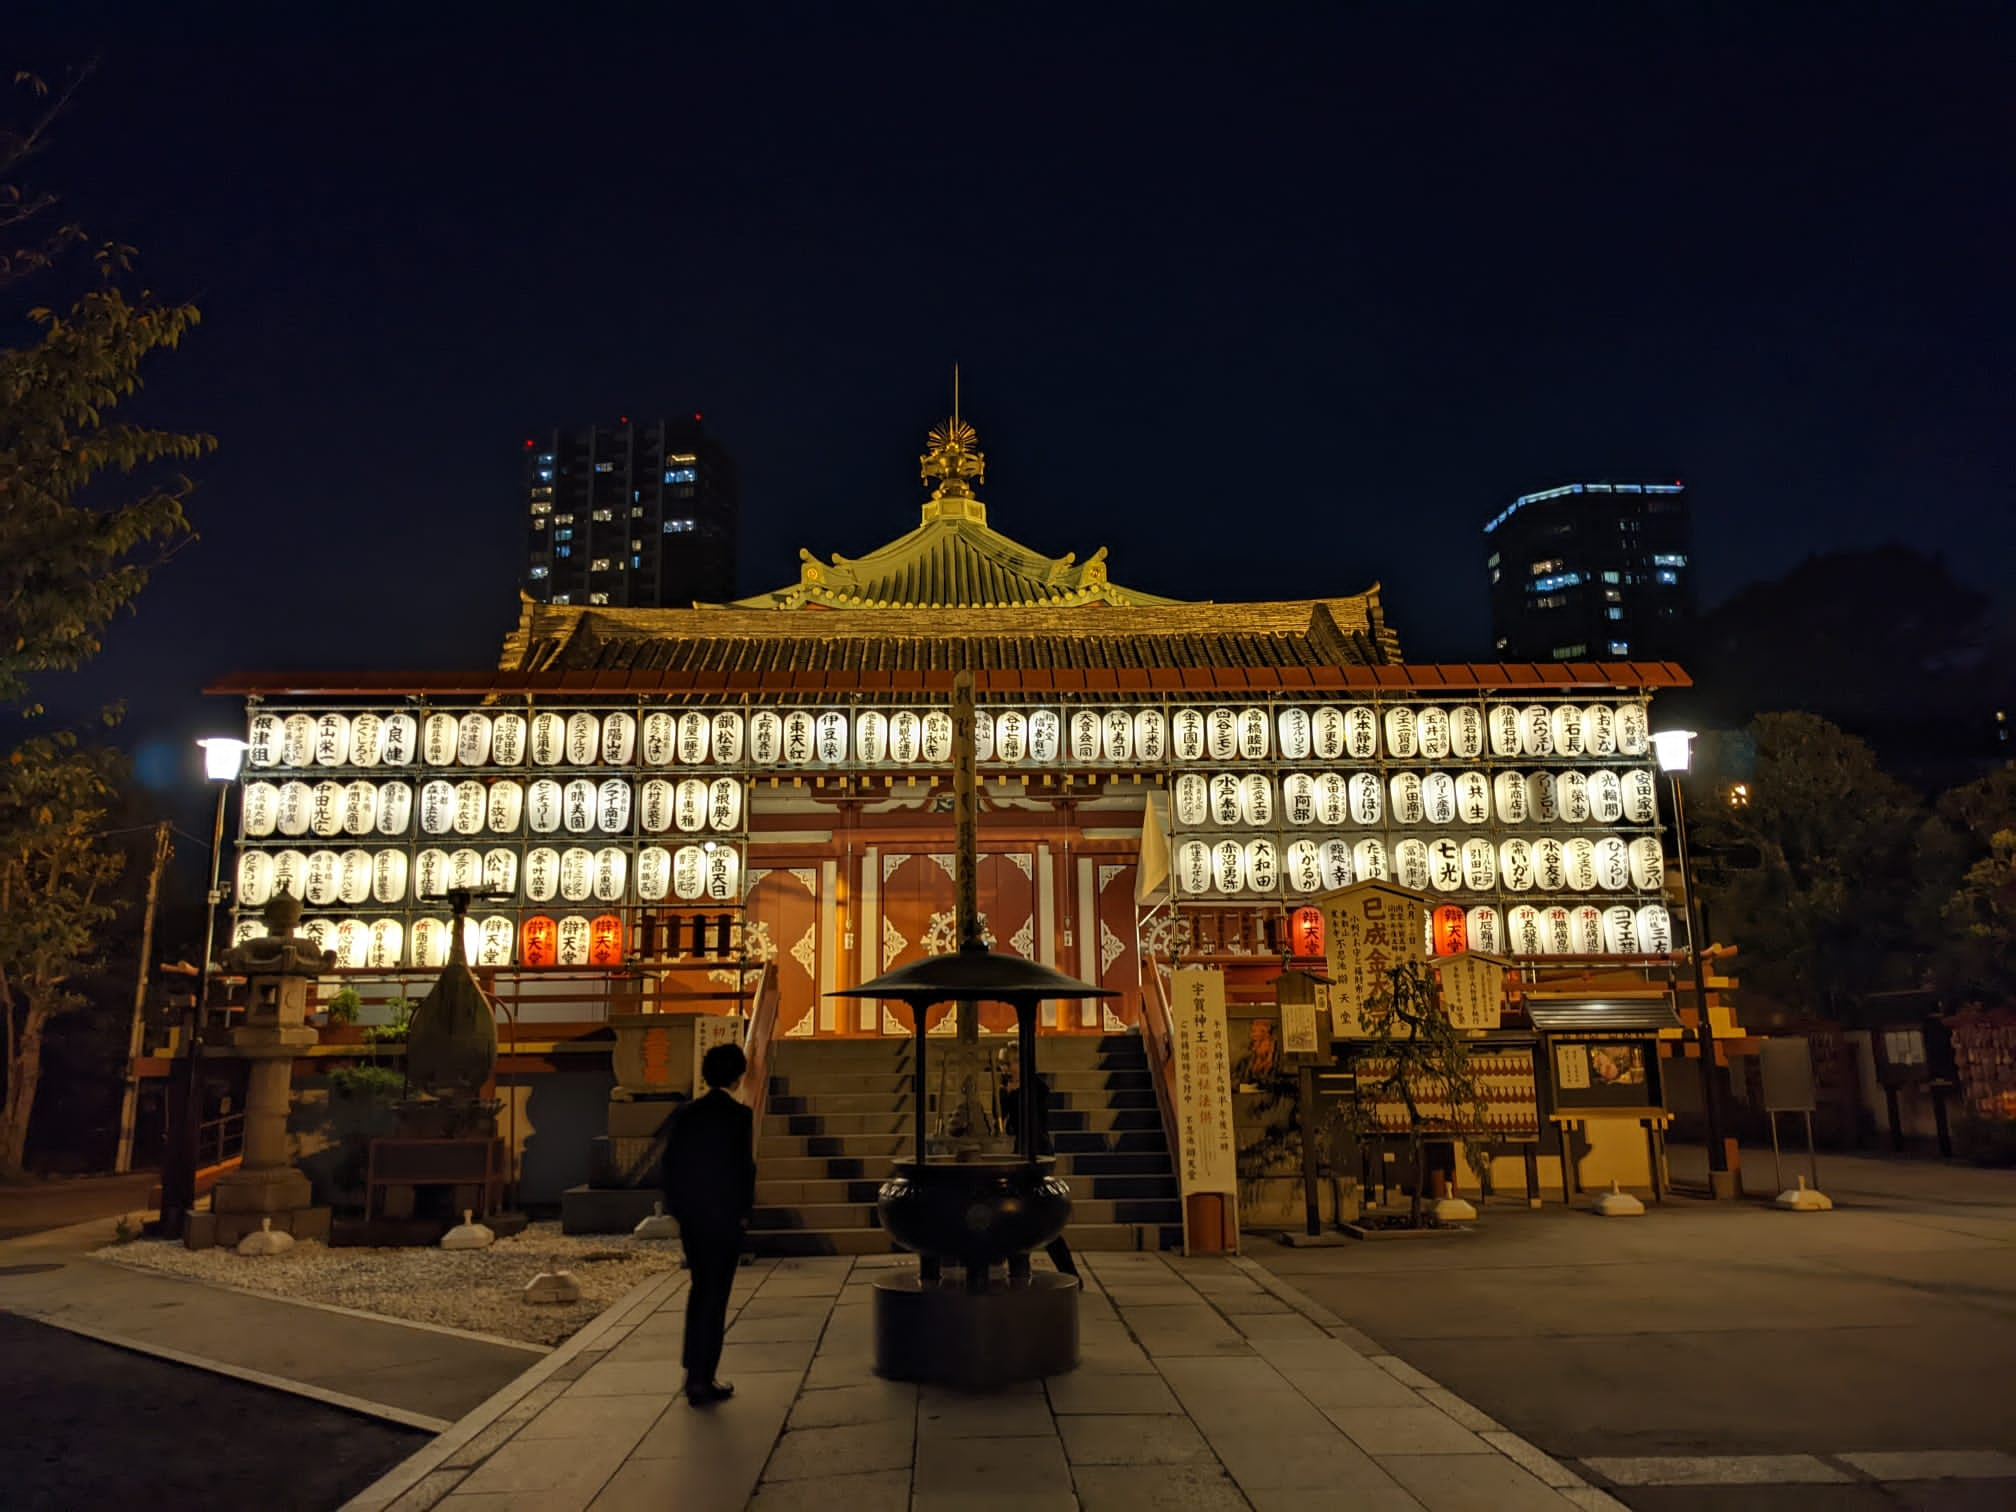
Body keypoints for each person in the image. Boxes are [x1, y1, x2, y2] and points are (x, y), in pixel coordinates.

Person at [660, 1041, 756, 1406]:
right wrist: (744, 1210)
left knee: (700, 1290)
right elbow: (742, 1168)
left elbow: (670, 1164)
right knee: (717, 1295)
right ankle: (704, 1374)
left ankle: (693, 1371)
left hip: (693, 1216)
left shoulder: (686, 1114)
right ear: (738, 1075)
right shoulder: (738, 1117)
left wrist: (677, 1208)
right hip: (725, 1215)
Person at [998, 1051, 1079, 1280]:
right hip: (1018, 1156)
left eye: (1014, 1062)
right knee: (1016, 1216)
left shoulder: (1035, 1088)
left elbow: (1030, 1117)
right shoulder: (1008, 1089)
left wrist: (1012, 1094)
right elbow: (1003, 1120)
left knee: (1041, 1218)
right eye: (1006, 1063)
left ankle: (1068, 1272)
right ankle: (1019, 1267)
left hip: (1037, 1156)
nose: (1010, 1068)